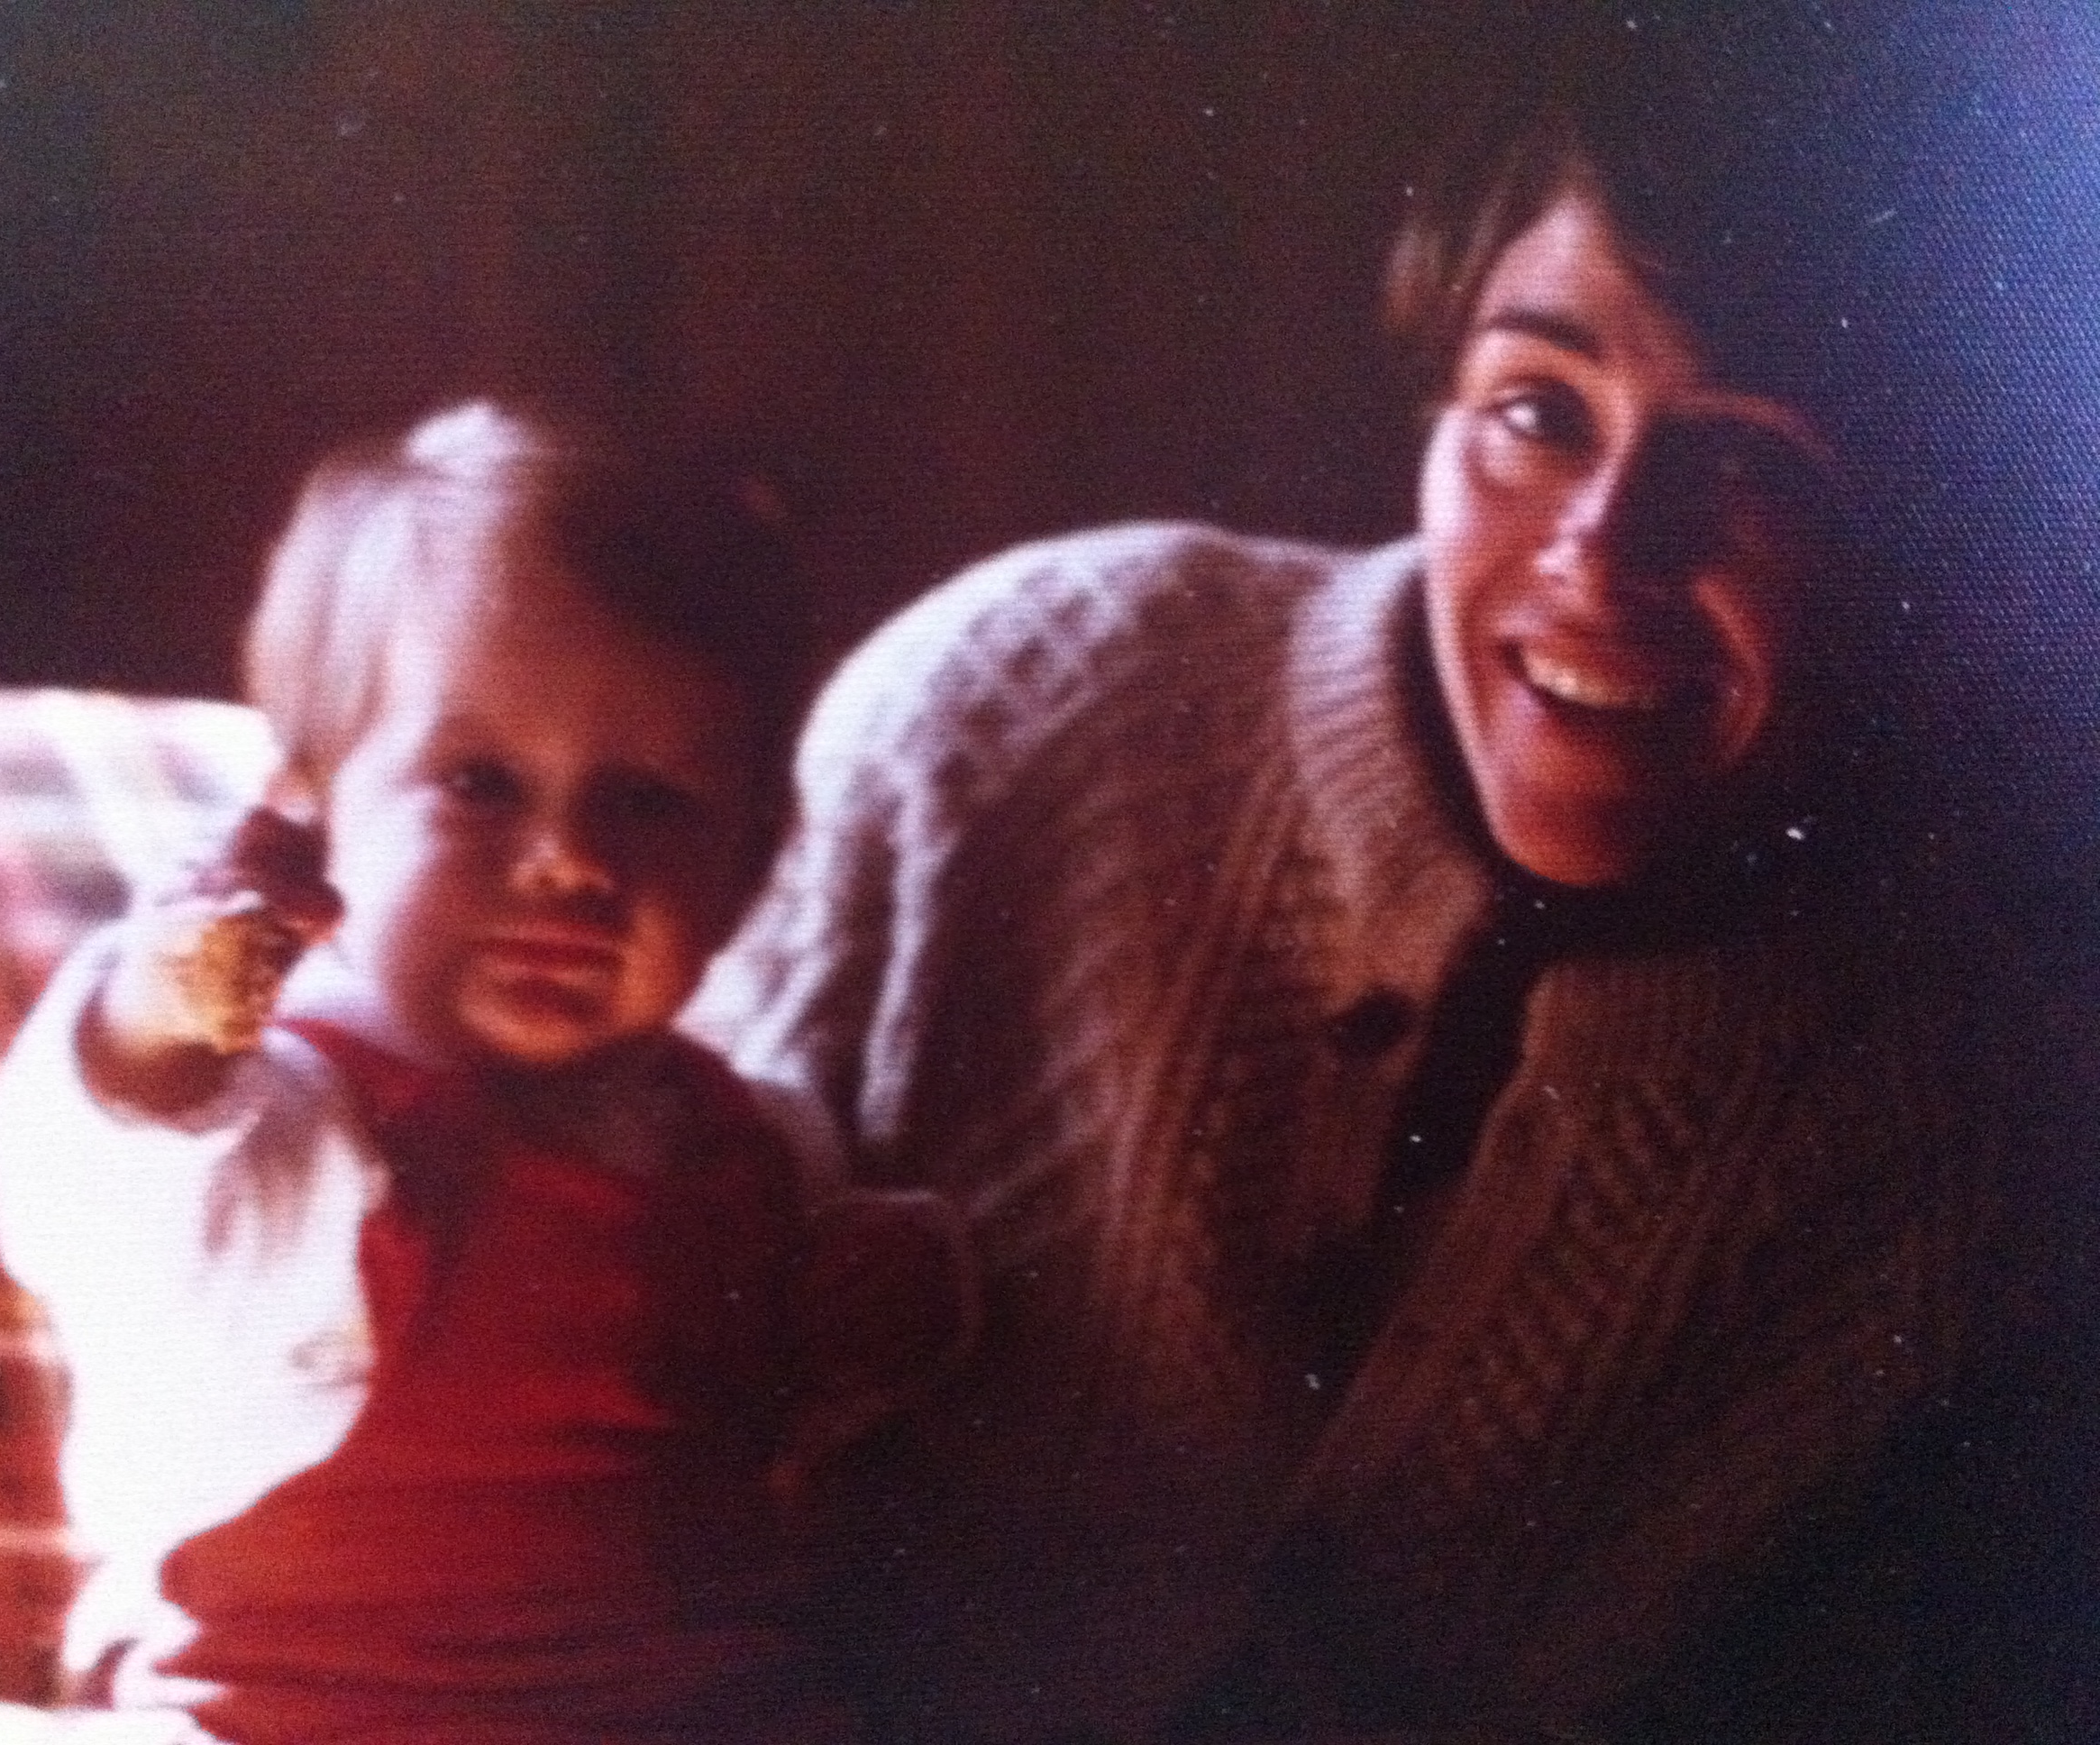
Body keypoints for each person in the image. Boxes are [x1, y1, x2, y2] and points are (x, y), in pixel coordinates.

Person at [685, 21, 2087, 1743]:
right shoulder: (1013, 709)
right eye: (1536, 412)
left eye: (1751, 465)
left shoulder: (1963, 1152)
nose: (1604, 548)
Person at [0, 401, 966, 1744]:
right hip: (289, 1719)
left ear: (748, 865)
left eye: (652, 801)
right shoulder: (290, 1116)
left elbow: (798, 1419)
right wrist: (156, 1027)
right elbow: (101, 1196)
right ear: (311, 807)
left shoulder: (753, 1146)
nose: (572, 861)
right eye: (481, 782)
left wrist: (887, 1302)